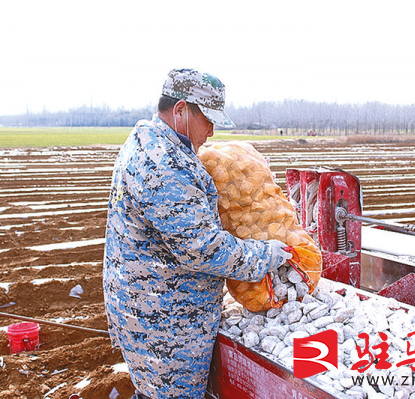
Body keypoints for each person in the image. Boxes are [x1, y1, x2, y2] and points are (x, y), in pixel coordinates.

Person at [103, 68, 291, 399]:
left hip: (148, 310)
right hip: (164, 326)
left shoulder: (149, 142)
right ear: (180, 110)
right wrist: (267, 254)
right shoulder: (164, 164)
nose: (212, 130)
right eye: (207, 119)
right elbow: (203, 249)